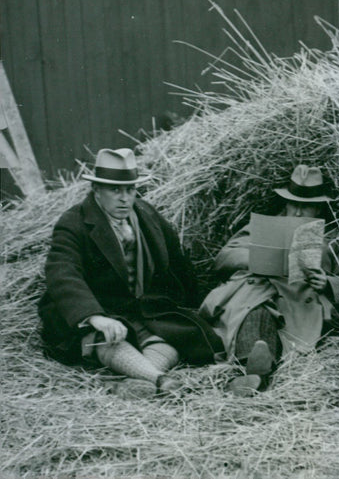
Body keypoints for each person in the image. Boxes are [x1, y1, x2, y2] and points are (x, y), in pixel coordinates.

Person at [38, 148, 221, 398]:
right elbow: (62, 272)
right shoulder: (73, 223)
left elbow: (178, 262)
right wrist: (94, 316)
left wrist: (193, 306)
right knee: (108, 338)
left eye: (130, 189)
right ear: (97, 191)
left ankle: (139, 383)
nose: (124, 198)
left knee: (178, 338)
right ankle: (160, 379)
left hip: (142, 308)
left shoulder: (147, 214)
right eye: (115, 190)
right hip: (98, 308)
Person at [199, 164, 339, 394]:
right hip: (261, 290)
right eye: (293, 204)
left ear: (318, 210)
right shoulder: (263, 227)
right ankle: (252, 369)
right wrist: (257, 257)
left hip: (301, 302)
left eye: (306, 207)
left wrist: (327, 283)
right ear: (285, 203)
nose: (297, 213)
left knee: (286, 325)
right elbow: (224, 257)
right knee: (256, 310)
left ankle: (255, 374)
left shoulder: (334, 238)